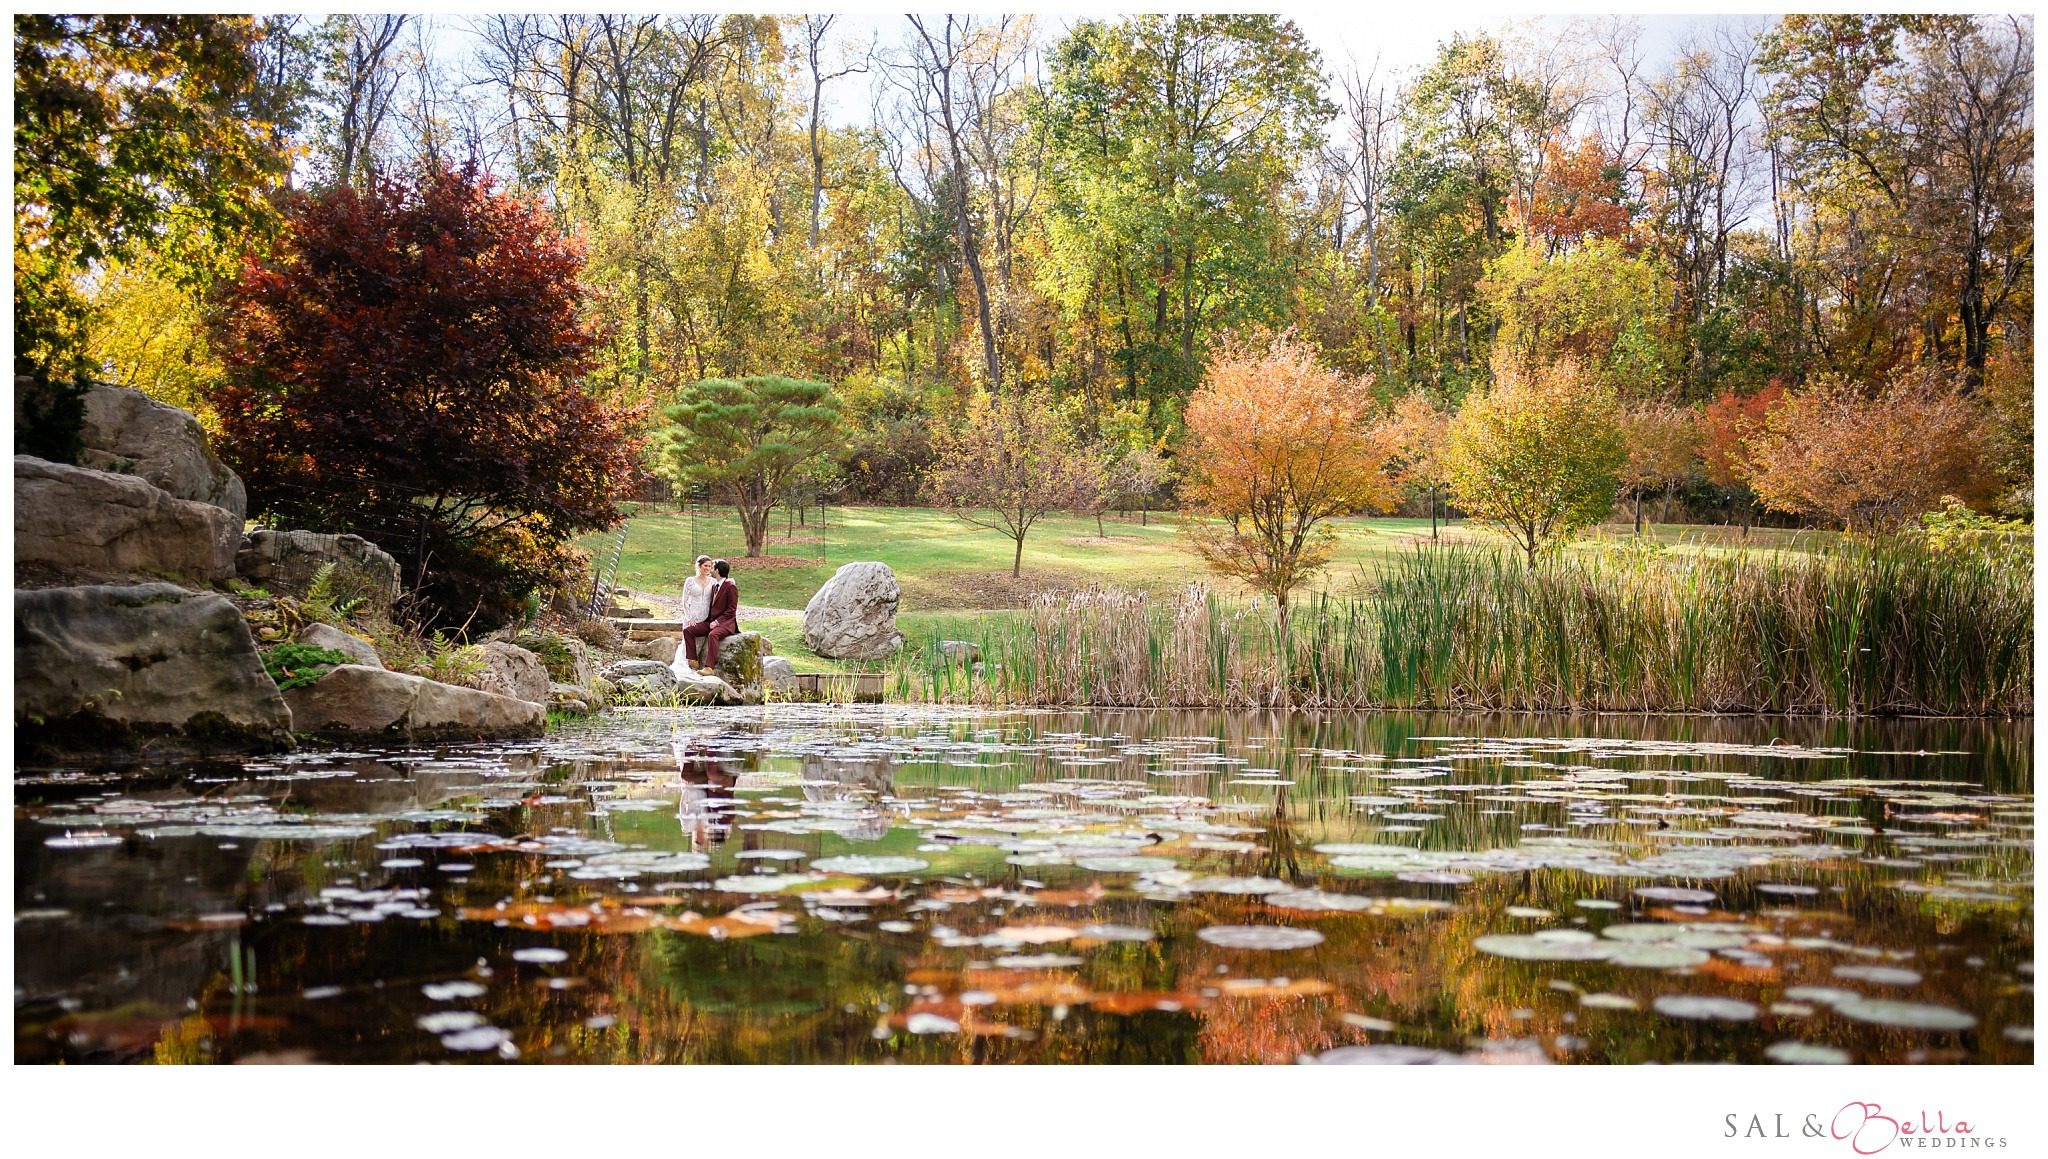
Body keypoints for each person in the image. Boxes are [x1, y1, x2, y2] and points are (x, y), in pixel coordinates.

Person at [680, 559, 739, 674]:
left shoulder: (730, 586)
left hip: (726, 623)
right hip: (710, 621)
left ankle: (709, 667)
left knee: (713, 635)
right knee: (688, 630)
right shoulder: (714, 584)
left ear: (717, 570)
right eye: (706, 566)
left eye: (712, 567)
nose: (710, 569)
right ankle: (692, 659)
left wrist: (717, 622)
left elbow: (731, 610)